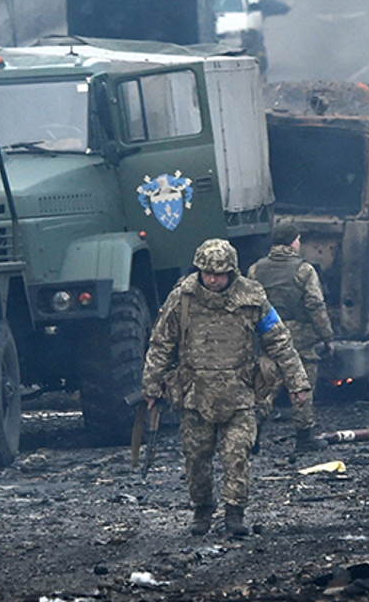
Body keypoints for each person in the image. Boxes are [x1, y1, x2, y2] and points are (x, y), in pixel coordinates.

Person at [144, 238, 310, 538]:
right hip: (196, 393)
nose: (212, 279)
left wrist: (298, 383)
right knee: (196, 457)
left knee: (237, 455)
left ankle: (235, 513)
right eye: (207, 272)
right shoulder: (182, 297)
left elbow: (279, 341)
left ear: (232, 272)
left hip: (240, 392)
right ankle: (202, 510)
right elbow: (161, 344)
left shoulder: (252, 297)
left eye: (219, 274)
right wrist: (152, 387)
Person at [248, 219, 336, 451]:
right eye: (298, 239)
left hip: (267, 334)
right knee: (303, 383)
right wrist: (327, 336)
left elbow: (249, 304)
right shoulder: (304, 270)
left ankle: (252, 432)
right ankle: (304, 437)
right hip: (300, 337)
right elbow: (315, 305)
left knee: (268, 384)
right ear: (292, 242)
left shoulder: (256, 269)